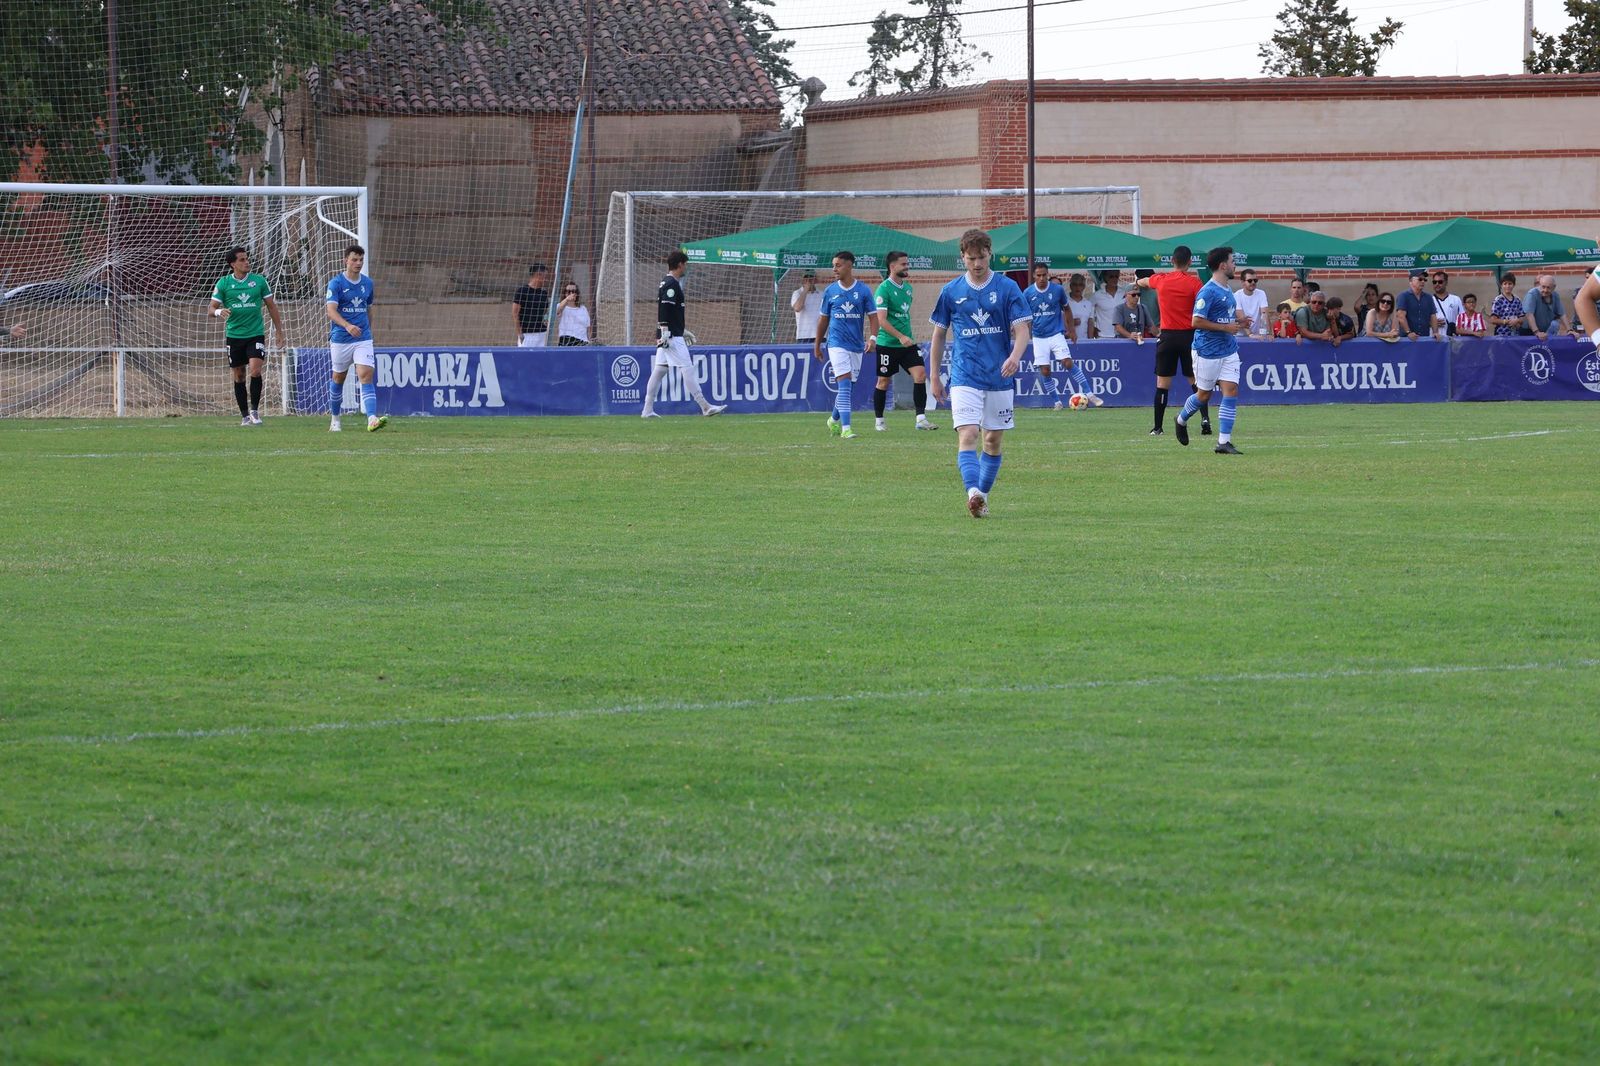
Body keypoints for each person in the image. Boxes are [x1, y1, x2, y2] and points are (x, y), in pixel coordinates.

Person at [927, 228, 1031, 519]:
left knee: (992, 441)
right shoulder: (951, 291)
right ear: (962, 257)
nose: (977, 264)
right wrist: (935, 375)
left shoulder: (1008, 287)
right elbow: (938, 335)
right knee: (969, 433)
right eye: (971, 258)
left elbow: (1023, 329)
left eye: (982, 258)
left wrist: (1014, 356)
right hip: (964, 374)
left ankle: (981, 497)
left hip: (998, 375)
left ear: (990, 255)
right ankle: (972, 491)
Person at [1174, 245, 1248, 455]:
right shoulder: (1208, 291)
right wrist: (1226, 327)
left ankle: (1223, 442)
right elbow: (1196, 321)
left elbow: (1223, 318)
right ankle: (1181, 419)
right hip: (1206, 351)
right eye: (1233, 262)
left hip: (1229, 350)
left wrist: (1238, 322)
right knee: (1203, 395)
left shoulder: (1227, 289)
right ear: (1223, 265)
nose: (1235, 265)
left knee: (1231, 391)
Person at [642, 250, 725, 418]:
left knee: (659, 370)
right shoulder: (671, 284)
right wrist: (666, 331)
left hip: (670, 332)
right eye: (685, 264)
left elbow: (671, 311)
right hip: (671, 336)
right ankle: (705, 406)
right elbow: (665, 308)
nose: (686, 267)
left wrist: (682, 329)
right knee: (687, 368)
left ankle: (647, 409)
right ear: (680, 264)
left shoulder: (667, 282)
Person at [209, 246, 286, 426]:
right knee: (239, 375)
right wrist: (220, 311)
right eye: (242, 260)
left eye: (247, 259)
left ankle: (254, 411)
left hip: (255, 334)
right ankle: (244, 415)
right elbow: (210, 309)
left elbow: (271, 306)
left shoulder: (259, 281)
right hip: (234, 335)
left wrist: (279, 331)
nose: (246, 262)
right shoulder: (224, 283)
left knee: (255, 370)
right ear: (232, 264)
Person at [1138, 245, 1207, 436]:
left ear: (1172, 261)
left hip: (1167, 336)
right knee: (1196, 382)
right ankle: (1205, 421)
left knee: (1162, 384)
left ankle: (1158, 427)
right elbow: (1204, 301)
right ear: (1190, 262)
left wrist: (1139, 280)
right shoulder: (1195, 283)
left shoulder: (1162, 280)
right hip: (1189, 337)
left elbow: (1144, 282)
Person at [815, 249, 879, 439]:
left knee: (848, 387)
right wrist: (818, 344)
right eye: (833, 265)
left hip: (856, 345)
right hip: (836, 344)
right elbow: (823, 320)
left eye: (838, 265)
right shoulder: (830, 291)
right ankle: (846, 429)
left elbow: (874, 318)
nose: (834, 269)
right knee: (844, 386)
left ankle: (833, 420)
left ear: (849, 266)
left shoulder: (863, 291)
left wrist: (873, 339)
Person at [324, 244, 387, 433]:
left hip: (363, 339)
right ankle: (335, 419)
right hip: (341, 338)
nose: (358, 263)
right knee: (338, 378)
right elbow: (330, 311)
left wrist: (368, 330)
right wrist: (347, 325)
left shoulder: (367, 283)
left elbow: (369, 309)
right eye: (354, 259)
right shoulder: (336, 283)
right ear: (346, 260)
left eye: (361, 260)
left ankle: (372, 419)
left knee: (366, 375)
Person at [871, 251, 937, 431]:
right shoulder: (883, 289)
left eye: (907, 264)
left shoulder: (908, 288)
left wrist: (906, 337)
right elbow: (882, 320)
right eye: (903, 264)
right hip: (888, 344)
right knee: (883, 382)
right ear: (892, 267)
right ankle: (879, 421)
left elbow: (903, 315)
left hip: (907, 344)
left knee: (920, 375)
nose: (907, 267)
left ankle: (921, 419)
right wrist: (900, 336)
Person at [1024, 261, 1099, 410]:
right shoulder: (1028, 293)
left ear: (1048, 274)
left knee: (1067, 362)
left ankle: (1090, 394)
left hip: (1056, 333)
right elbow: (1024, 315)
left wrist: (1071, 330)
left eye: (1044, 275)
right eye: (1038, 275)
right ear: (1034, 276)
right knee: (1045, 370)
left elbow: (1067, 309)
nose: (1042, 278)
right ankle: (1057, 402)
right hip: (1039, 336)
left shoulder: (1057, 290)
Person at [512, 264, 550, 347]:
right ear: (538, 275)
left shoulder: (543, 293)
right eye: (545, 276)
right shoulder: (522, 291)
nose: (546, 280)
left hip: (542, 333)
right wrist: (520, 333)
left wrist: (546, 321)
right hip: (527, 333)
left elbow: (545, 311)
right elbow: (515, 314)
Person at [1396, 269, 1439, 340]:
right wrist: (1408, 332)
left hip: (1424, 338)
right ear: (1411, 281)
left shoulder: (1428, 297)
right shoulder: (1403, 296)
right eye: (1420, 279)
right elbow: (1401, 316)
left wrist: (1435, 332)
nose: (1423, 282)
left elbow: (1433, 316)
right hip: (1407, 339)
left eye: (1424, 280)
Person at [1523, 274, 1568, 339]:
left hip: (1543, 331)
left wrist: (1570, 330)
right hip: (1528, 331)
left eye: (1548, 287)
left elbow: (1562, 314)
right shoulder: (1532, 294)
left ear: (1554, 287)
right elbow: (1529, 315)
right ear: (1539, 285)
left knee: (1555, 324)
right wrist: (1537, 332)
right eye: (1543, 287)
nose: (1545, 290)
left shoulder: (1555, 295)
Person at [1235, 268, 1271, 339]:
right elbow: (1241, 318)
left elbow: (1265, 315)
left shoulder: (1261, 293)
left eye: (1255, 280)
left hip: (1258, 336)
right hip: (1240, 337)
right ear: (1242, 282)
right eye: (1250, 280)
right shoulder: (1236, 295)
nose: (1253, 282)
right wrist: (1250, 334)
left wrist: (1268, 333)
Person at [1088, 270, 1123, 339]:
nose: (1114, 279)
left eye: (1116, 276)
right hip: (1103, 336)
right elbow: (1090, 315)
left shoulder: (1124, 293)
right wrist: (1093, 329)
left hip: (1121, 335)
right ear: (1105, 277)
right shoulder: (1097, 295)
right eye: (1111, 277)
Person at [790, 271, 823, 344]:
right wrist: (805, 290)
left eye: (811, 279)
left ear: (815, 280)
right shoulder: (797, 293)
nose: (808, 281)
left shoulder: (822, 294)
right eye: (806, 279)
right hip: (804, 335)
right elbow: (797, 308)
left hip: (821, 334)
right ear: (803, 280)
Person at [1430, 271, 1464, 336]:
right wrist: (1432, 323)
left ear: (1446, 283)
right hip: (1435, 339)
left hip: (1452, 340)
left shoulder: (1456, 299)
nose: (1437, 284)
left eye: (1440, 282)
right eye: (1434, 282)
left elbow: (1462, 319)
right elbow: (1421, 321)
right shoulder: (1429, 300)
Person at [1065, 273, 1093, 343]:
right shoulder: (1064, 302)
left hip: (1084, 341)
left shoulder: (1088, 304)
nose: (1078, 288)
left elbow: (1090, 323)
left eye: (1080, 285)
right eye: (1075, 285)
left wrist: (1091, 341)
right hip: (1067, 341)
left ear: (1084, 287)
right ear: (1071, 286)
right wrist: (1071, 323)